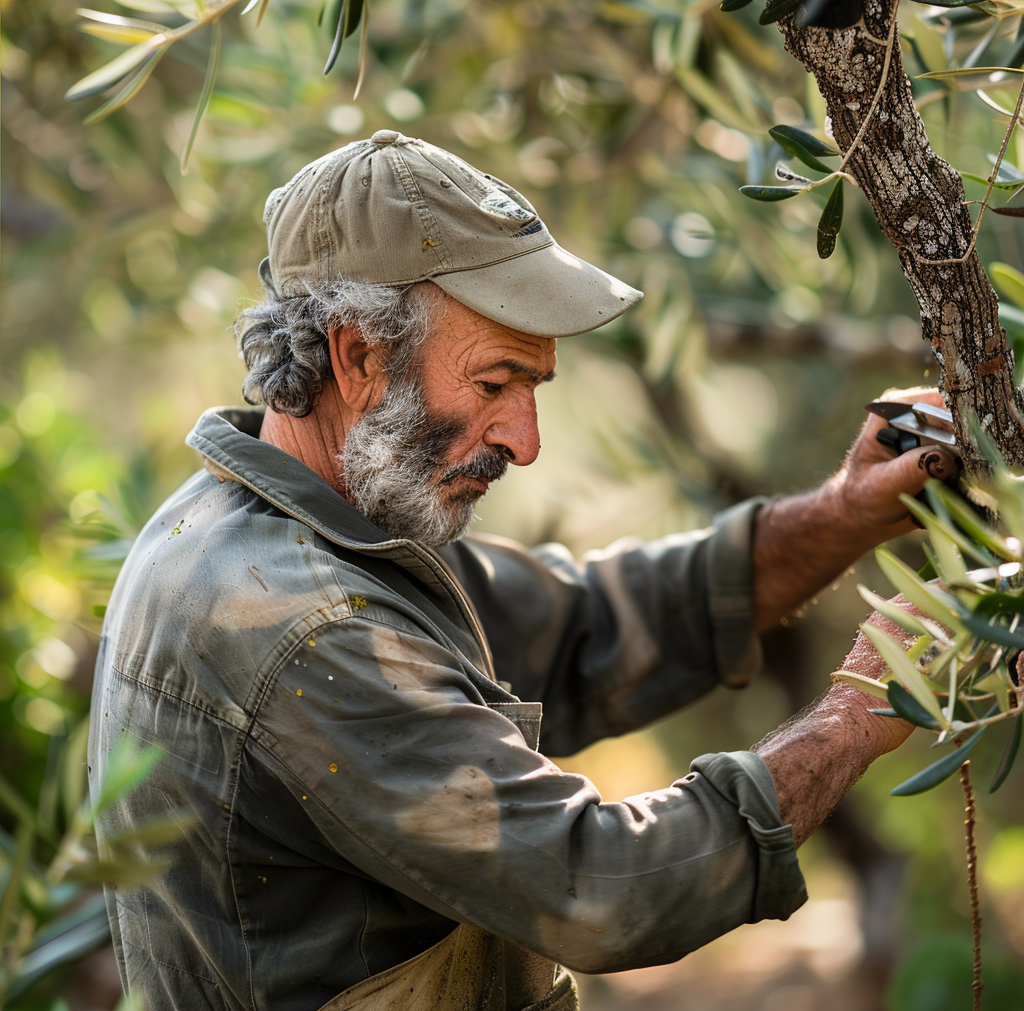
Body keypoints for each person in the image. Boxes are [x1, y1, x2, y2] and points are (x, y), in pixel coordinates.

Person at [88, 130, 957, 1011]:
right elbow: (605, 887)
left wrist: (845, 512)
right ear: (356, 359)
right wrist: (866, 705)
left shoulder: (292, 531)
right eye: (497, 382)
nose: (525, 441)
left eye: (534, 388)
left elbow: (591, 625)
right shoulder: (302, 624)